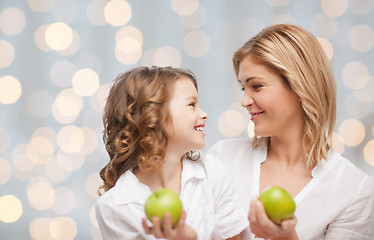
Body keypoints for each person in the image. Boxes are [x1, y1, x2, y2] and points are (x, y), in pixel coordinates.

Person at [207, 24, 374, 240]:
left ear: (299, 86)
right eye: (243, 88)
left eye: (256, 86)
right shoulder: (222, 158)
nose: (244, 101)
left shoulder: (356, 190)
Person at [95, 66, 248, 240]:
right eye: (192, 105)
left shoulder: (212, 171)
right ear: (152, 115)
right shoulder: (115, 206)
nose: (204, 114)